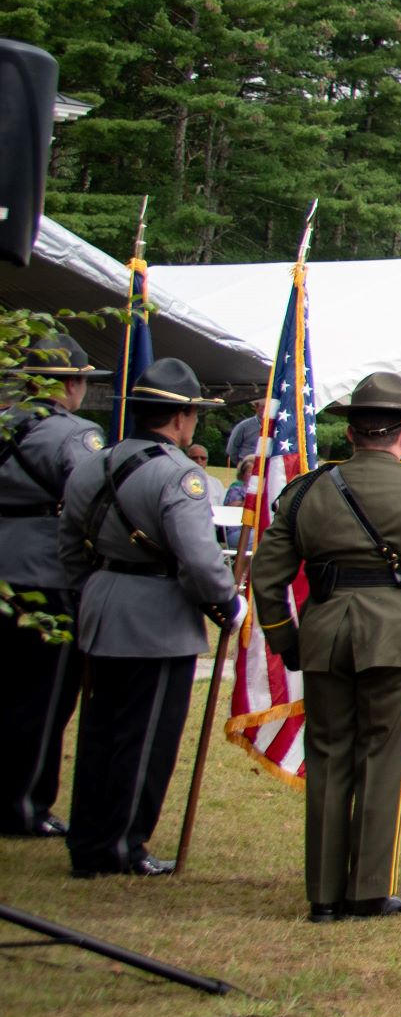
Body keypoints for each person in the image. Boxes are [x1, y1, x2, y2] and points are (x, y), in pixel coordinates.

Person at [248, 372, 401, 921]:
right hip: (396, 638)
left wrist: (287, 640)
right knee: (381, 759)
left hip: (325, 632)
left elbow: (266, 574)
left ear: (351, 434)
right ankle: (368, 889)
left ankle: (324, 895)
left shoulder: (307, 490)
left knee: (328, 760)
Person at [56, 359, 235, 878]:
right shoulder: (179, 474)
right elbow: (200, 562)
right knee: (145, 738)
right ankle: (123, 843)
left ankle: (89, 840)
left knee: (98, 732)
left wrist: (90, 591)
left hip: (103, 602)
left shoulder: (94, 462)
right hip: (156, 615)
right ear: (179, 418)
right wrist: (228, 602)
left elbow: (69, 545)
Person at [0, 330, 104, 838]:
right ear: (70, 384)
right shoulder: (73, 435)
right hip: (45, 573)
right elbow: (93, 502)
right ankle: (23, 804)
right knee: (41, 698)